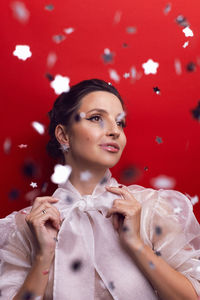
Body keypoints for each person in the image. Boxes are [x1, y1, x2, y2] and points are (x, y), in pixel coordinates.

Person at [0, 79, 200, 300]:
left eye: (120, 123)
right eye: (96, 118)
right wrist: (42, 257)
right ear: (64, 135)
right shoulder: (26, 226)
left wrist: (136, 245)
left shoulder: (150, 207)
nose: (115, 131)